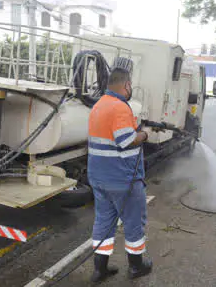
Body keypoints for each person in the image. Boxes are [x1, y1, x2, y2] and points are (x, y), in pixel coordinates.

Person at [87, 67, 152, 283]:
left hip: (99, 177)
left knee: (104, 221)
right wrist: (142, 135)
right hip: (122, 179)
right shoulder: (120, 107)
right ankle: (136, 267)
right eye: (130, 85)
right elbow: (126, 140)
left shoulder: (99, 105)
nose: (130, 89)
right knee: (134, 221)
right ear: (126, 85)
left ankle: (100, 270)